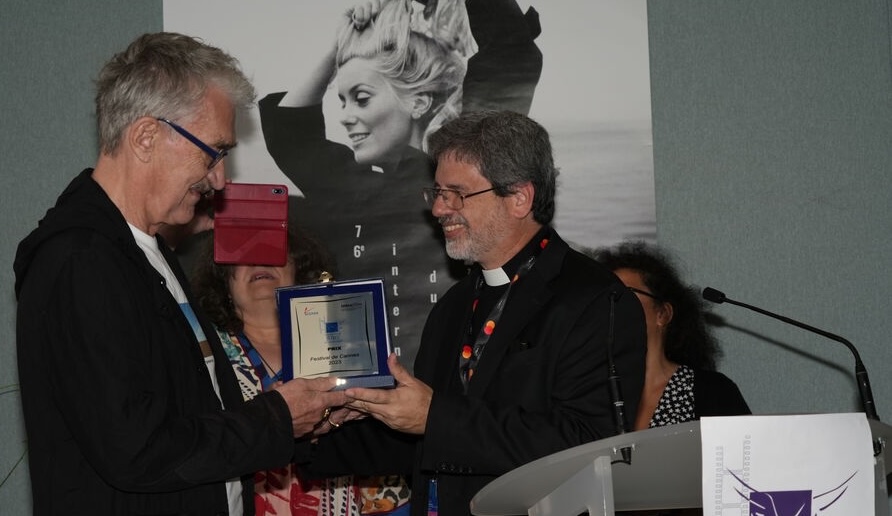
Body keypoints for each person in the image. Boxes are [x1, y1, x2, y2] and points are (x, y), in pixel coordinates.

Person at [13, 32, 347, 515]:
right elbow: (135, 449)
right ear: (147, 137)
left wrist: (294, 418)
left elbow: (191, 413)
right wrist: (275, 418)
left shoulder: (148, 252)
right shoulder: (79, 260)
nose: (220, 178)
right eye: (213, 151)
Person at [295, 110, 647, 515]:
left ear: (519, 198)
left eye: (456, 193)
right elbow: (420, 440)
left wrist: (435, 418)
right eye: (437, 193)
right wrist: (317, 429)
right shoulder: (456, 303)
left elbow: (587, 443)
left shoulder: (595, 299)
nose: (439, 209)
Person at [259, 0, 543, 370]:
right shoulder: (346, 184)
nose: (345, 118)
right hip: (364, 399)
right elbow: (290, 133)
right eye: (341, 101)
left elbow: (510, 56)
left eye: (361, 98)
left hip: (455, 392)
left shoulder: (470, 170)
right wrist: (340, 46)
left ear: (418, 101)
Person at [192, 225, 411, 516]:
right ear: (223, 284)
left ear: (299, 269)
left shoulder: (350, 343)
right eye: (245, 256)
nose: (260, 261)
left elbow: (383, 473)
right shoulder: (202, 356)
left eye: (272, 252)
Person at [590, 241, 751, 431]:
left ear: (662, 314)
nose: (612, 307)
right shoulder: (588, 397)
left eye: (623, 294)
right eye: (604, 299)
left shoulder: (713, 392)